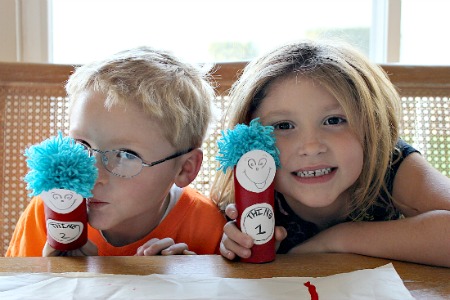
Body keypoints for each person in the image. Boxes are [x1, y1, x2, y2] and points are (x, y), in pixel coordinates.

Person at [211, 40, 450, 267]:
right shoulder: (251, 183)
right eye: (283, 126)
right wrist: (236, 250)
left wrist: (339, 239)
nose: (312, 146)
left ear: (373, 129)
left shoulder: (391, 161)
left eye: (334, 120)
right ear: (248, 141)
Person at [7, 46, 226, 257]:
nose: (93, 176)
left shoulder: (208, 229)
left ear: (185, 169)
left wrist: (189, 282)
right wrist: (53, 275)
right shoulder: (50, 210)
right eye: (81, 145)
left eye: (125, 155)